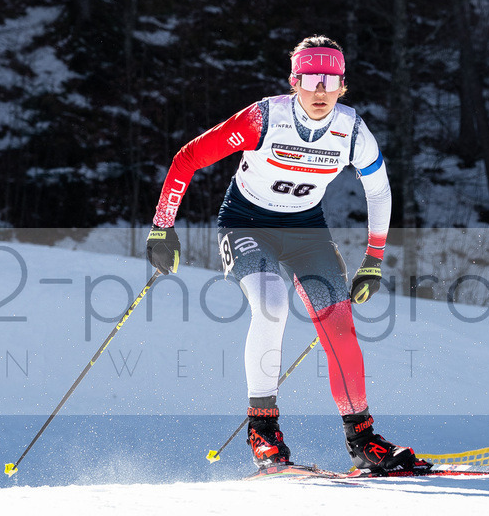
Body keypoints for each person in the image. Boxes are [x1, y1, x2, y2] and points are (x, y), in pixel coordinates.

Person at [146, 35, 429, 474]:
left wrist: (373, 259)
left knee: (338, 322)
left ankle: (363, 438)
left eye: (331, 81)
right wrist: (162, 227)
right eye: (311, 80)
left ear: (342, 86)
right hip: (246, 223)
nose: (321, 91)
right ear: (294, 81)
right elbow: (188, 159)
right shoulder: (264, 117)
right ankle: (263, 430)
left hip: (305, 230)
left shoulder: (353, 131)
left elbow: (379, 189)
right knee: (272, 304)